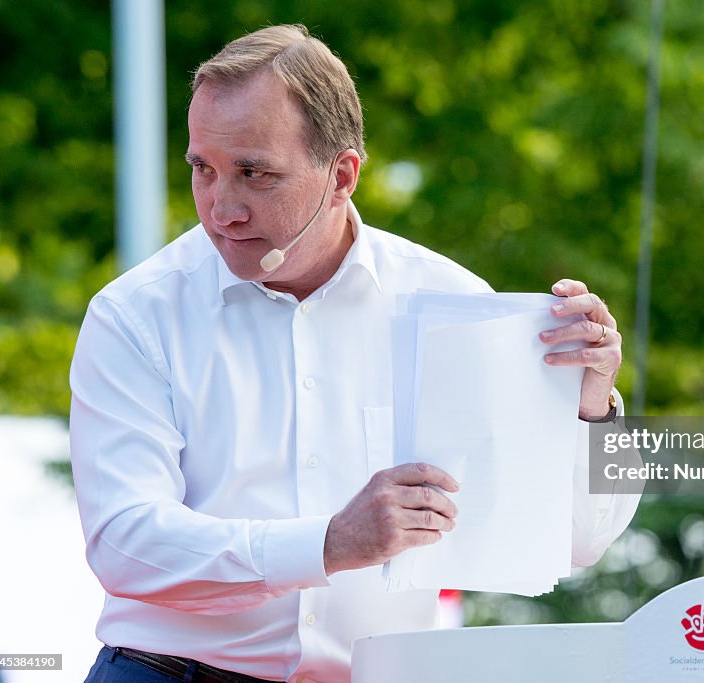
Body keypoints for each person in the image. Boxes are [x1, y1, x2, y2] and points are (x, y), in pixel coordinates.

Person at [70, 24, 639, 683]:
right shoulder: (135, 313)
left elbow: (575, 541)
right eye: (204, 169)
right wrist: (332, 542)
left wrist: (592, 407)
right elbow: (127, 544)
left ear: (342, 174)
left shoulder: (453, 303)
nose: (221, 207)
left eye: (255, 173)